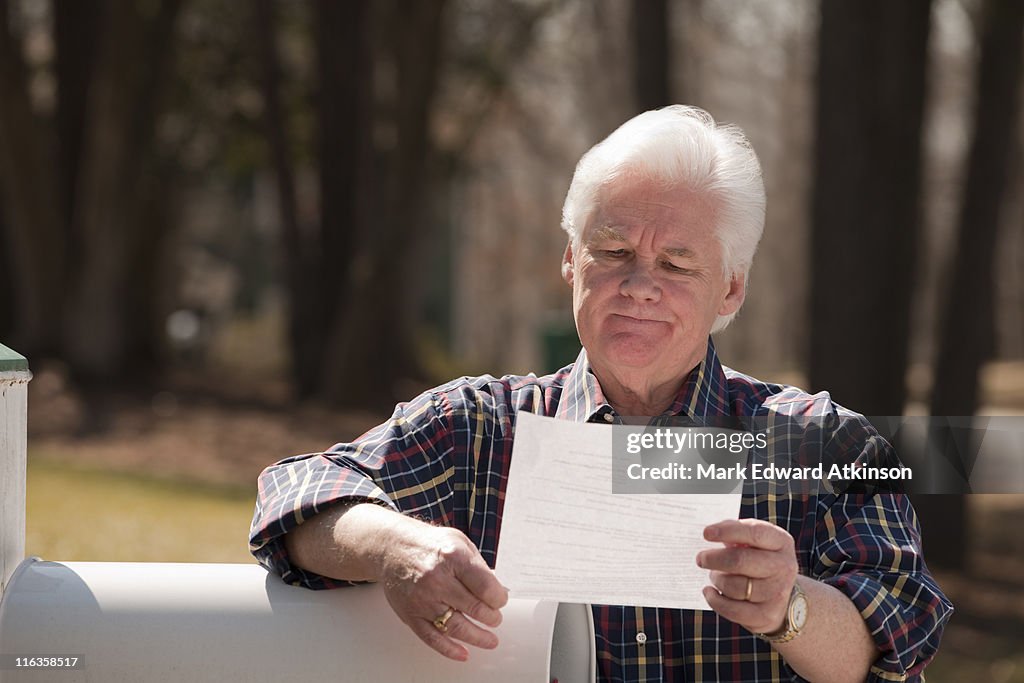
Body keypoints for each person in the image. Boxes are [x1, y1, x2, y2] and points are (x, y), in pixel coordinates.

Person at [249, 106, 951, 682]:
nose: (639, 283)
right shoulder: (479, 428)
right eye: (612, 252)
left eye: (677, 263)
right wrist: (396, 546)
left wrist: (788, 606)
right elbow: (295, 495)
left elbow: (897, 632)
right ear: (569, 258)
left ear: (731, 287)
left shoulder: (819, 440)